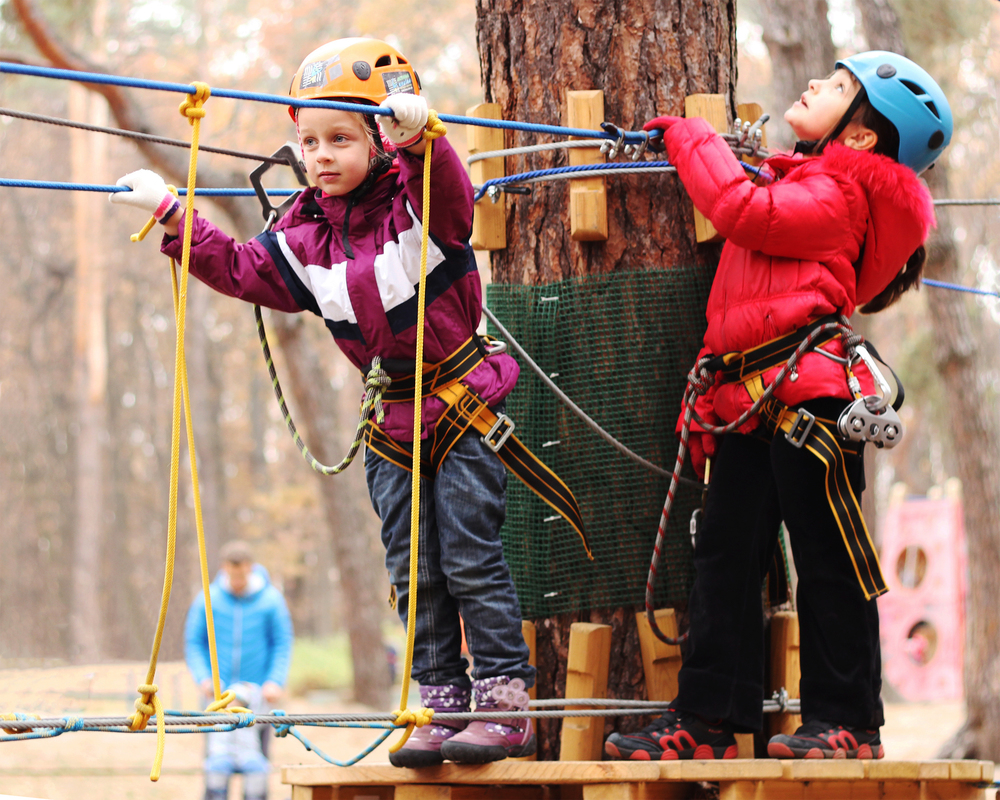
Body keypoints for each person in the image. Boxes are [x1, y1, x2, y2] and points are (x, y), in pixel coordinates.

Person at [112, 38, 538, 767]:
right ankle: (438, 701)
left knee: (470, 558)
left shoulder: (419, 206)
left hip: (460, 407)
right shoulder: (304, 236)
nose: (321, 156)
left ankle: (502, 701)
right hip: (391, 424)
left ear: (379, 139)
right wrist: (175, 216)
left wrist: (423, 140)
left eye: (340, 139)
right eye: (309, 142)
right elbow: (241, 268)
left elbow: (450, 194)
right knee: (415, 574)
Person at [604, 51, 951, 761]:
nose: (816, 83)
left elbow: (742, 211)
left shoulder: (840, 195)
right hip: (753, 397)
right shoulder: (796, 179)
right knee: (724, 559)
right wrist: (712, 392)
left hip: (812, 403)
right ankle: (708, 719)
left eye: (839, 86)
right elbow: (745, 302)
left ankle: (849, 721)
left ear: (860, 136)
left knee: (828, 559)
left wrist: (693, 137)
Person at [184, 540, 293, 799]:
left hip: (258, 698)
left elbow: (282, 642)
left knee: (257, 765)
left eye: (242, 575)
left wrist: (275, 681)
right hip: (217, 698)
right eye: (233, 575)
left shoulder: (270, 600)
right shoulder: (208, 598)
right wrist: (204, 678)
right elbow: (194, 642)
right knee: (216, 765)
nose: (237, 581)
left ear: (250, 568)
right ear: (224, 568)